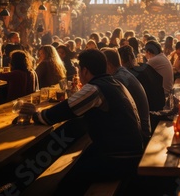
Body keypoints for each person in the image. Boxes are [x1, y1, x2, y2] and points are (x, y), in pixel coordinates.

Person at [25, 49, 144, 195]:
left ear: (85, 70)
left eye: (79, 70)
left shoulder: (94, 88)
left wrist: (36, 115)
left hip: (119, 159)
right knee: (81, 157)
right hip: (129, 151)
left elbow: (62, 111)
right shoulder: (114, 82)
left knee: (68, 182)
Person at [103, 48, 151, 144]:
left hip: (140, 136)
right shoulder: (123, 73)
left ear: (108, 65)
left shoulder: (118, 79)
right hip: (143, 130)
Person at [119, 45, 165, 111]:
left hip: (150, 111)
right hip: (159, 105)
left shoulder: (129, 74)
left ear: (121, 60)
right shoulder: (144, 67)